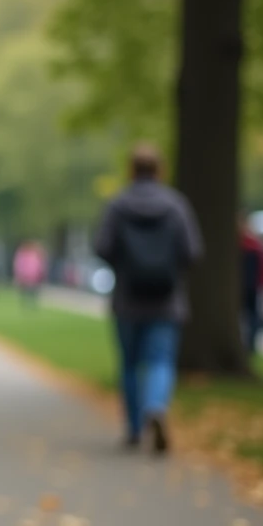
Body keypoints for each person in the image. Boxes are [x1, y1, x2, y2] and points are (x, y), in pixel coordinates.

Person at [94, 144, 203, 454]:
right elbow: (193, 251)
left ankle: (133, 428)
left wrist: (127, 264)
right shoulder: (176, 205)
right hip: (167, 300)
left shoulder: (117, 205)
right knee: (160, 360)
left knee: (130, 364)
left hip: (128, 298)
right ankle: (156, 406)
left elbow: (102, 246)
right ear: (160, 170)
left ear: (131, 169)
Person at [239, 213, 263, 356]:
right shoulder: (254, 244)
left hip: (249, 286)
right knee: (251, 316)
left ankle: (249, 344)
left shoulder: (248, 245)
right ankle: (249, 344)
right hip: (252, 286)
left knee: (250, 316)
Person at [12, 240, 46, 307]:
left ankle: (31, 303)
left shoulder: (34, 254)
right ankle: (28, 303)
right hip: (28, 275)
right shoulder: (24, 254)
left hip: (33, 275)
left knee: (32, 290)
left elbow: (39, 265)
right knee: (26, 290)